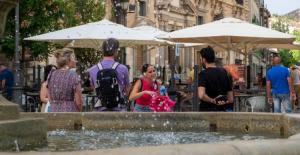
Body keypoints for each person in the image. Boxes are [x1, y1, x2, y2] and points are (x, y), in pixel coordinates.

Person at [89, 38, 129, 111]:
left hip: (100, 110)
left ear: (103, 51)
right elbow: (127, 90)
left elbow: (93, 88)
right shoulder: (123, 68)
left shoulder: (92, 69)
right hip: (119, 109)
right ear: (116, 51)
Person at [198, 46, 233, 112]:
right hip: (222, 111)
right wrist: (222, 101)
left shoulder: (203, 74)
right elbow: (230, 98)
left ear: (204, 60)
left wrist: (212, 100)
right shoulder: (224, 72)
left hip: (206, 111)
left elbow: (201, 95)